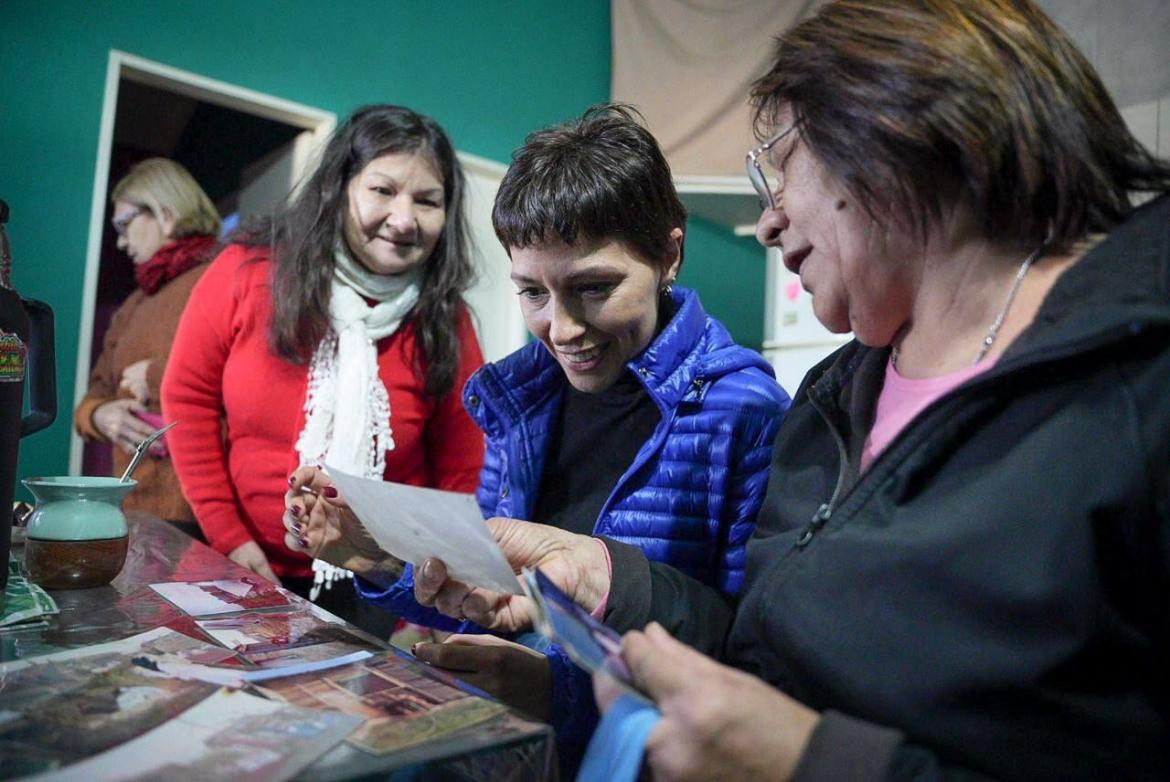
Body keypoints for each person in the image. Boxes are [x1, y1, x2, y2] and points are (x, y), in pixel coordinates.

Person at [398, 1, 1170, 779]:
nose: (766, 223)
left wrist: (816, 763)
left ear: (899, 140)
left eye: (780, 164)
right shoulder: (832, 398)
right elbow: (749, 646)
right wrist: (604, 580)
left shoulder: (1140, 385)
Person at [284, 105, 790, 759]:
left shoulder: (744, 413)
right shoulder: (521, 397)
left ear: (670, 253)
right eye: (532, 293)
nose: (563, 329)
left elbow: (747, 659)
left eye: (593, 288)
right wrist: (372, 553)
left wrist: (561, 693)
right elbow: (489, 589)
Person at [162, 105, 485, 632]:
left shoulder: (448, 317)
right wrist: (228, 538)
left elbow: (461, 468)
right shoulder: (247, 270)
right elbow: (187, 397)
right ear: (340, 187)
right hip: (247, 566)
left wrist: (428, 593)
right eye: (382, 190)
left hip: (384, 588)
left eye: (427, 201)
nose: (404, 220)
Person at [75, 158, 220, 535]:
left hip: (201, 514)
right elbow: (95, 392)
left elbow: (250, 389)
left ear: (166, 214)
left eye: (125, 225)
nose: (121, 242)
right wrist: (99, 415)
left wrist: (157, 376)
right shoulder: (134, 304)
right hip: (129, 506)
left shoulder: (223, 281)